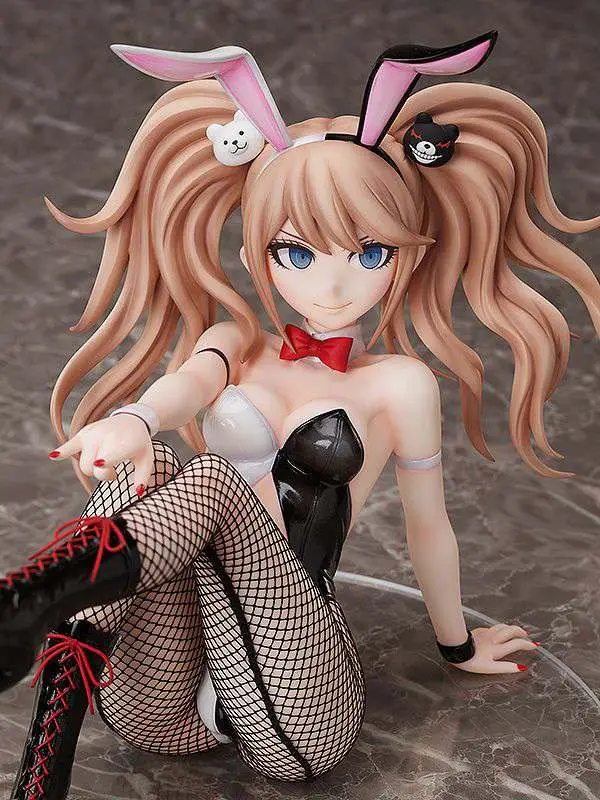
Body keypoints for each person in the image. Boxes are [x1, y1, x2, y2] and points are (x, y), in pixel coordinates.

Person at [2, 31, 599, 800]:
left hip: (296, 703)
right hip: (161, 695)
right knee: (147, 470)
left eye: (370, 253)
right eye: (298, 253)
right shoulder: (237, 343)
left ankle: (42, 592)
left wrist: (457, 647)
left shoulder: (401, 384)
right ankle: (36, 698)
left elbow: (429, 526)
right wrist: (137, 420)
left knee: (211, 477)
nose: (333, 284)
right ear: (257, 255)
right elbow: (184, 385)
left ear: (409, 254)